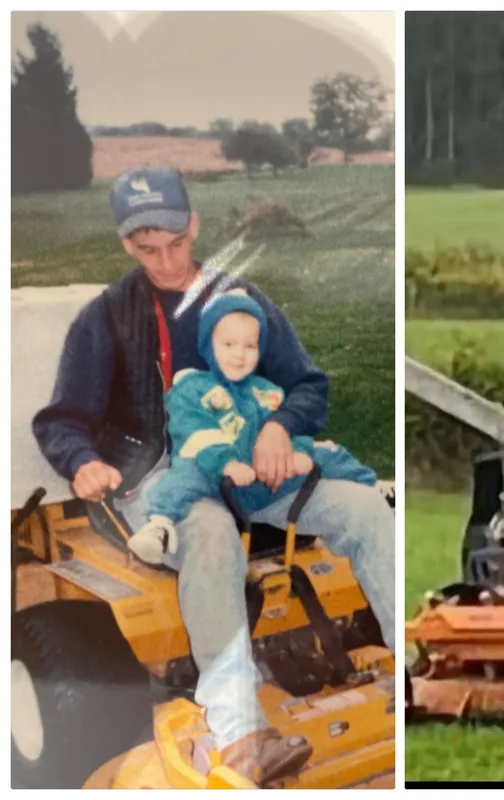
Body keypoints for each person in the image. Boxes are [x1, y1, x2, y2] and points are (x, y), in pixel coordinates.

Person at [32, 166, 395, 786]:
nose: (166, 261)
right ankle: (242, 733)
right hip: (165, 477)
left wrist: (282, 427)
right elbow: (63, 418)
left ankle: (416, 670)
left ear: (194, 226)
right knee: (209, 535)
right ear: (127, 243)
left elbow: (307, 385)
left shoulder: (244, 303)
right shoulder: (108, 317)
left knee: (365, 508)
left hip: (255, 465)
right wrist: (83, 462)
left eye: (176, 243)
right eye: (148, 249)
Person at [127, 288, 381, 562]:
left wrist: (294, 452)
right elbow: (195, 432)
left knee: (325, 452)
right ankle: (159, 526)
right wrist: (226, 463)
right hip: (215, 474)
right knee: (183, 476)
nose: (240, 355)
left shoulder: (266, 391)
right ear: (208, 345)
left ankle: (372, 486)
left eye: (250, 346)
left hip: (259, 476)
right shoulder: (191, 388)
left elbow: (272, 434)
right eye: (229, 345)